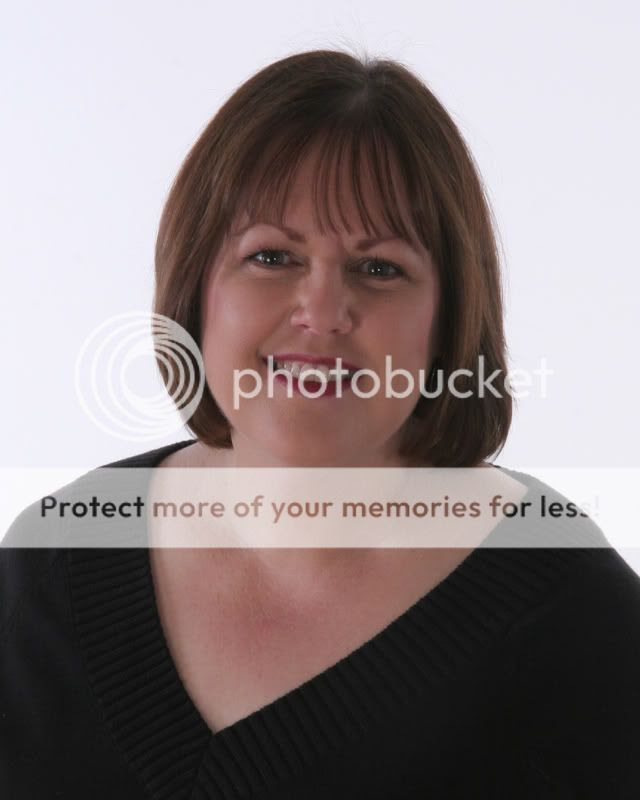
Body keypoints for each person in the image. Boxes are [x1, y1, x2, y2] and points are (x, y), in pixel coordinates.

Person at [2, 48, 640, 799]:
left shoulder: (582, 627)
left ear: (449, 320)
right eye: (272, 256)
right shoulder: (50, 568)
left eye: (380, 268)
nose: (323, 312)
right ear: (196, 289)